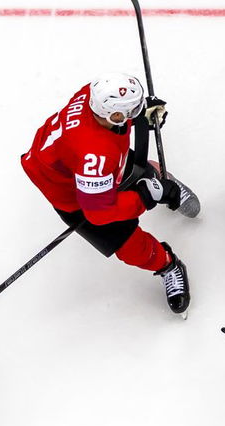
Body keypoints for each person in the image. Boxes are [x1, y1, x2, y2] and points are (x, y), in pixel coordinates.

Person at [21, 73, 198, 314]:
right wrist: (144, 197)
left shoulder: (93, 95)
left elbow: (113, 121)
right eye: (130, 111)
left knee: (124, 164)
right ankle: (168, 264)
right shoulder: (95, 156)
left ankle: (154, 175)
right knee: (129, 246)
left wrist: (143, 111)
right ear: (114, 115)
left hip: (76, 161)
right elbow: (98, 213)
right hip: (72, 194)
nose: (134, 113)